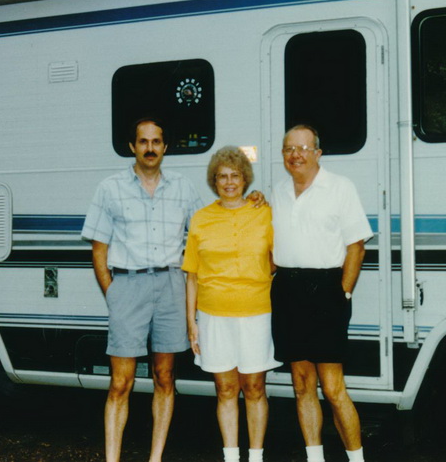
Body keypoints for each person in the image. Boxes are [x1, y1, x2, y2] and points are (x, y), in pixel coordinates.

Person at [81, 118, 202, 462]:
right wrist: (114, 293)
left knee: (165, 377)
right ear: (132, 147)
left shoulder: (183, 187)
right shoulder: (110, 188)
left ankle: (155, 457)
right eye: (143, 141)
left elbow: (203, 235)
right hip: (127, 285)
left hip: (170, 285)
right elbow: (98, 249)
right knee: (121, 382)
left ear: (165, 147)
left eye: (157, 141)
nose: (150, 148)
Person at [270, 125, 373, 462]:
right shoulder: (278, 192)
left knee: (332, 388)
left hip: (327, 291)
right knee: (302, 384)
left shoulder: (340, 188)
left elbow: (356, 247)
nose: (295, 155)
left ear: (318, 152)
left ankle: (356, 458)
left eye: (302, 148)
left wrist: (342, 293)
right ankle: (315, 458)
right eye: (289, 149)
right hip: (287, 291)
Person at [182, 146, 281, 462]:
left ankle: (255, 457)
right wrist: (191, 322)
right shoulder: (201, 219)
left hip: (256, 313)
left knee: (254, 389)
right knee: (225, 390)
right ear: (214, 180)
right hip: (213, 316)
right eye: (222, 176)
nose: (228, 182)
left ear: (245, 179)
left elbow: (277, 261)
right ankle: (230, 456)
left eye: (235, 175)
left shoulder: (264, 212)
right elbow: (192, 276)